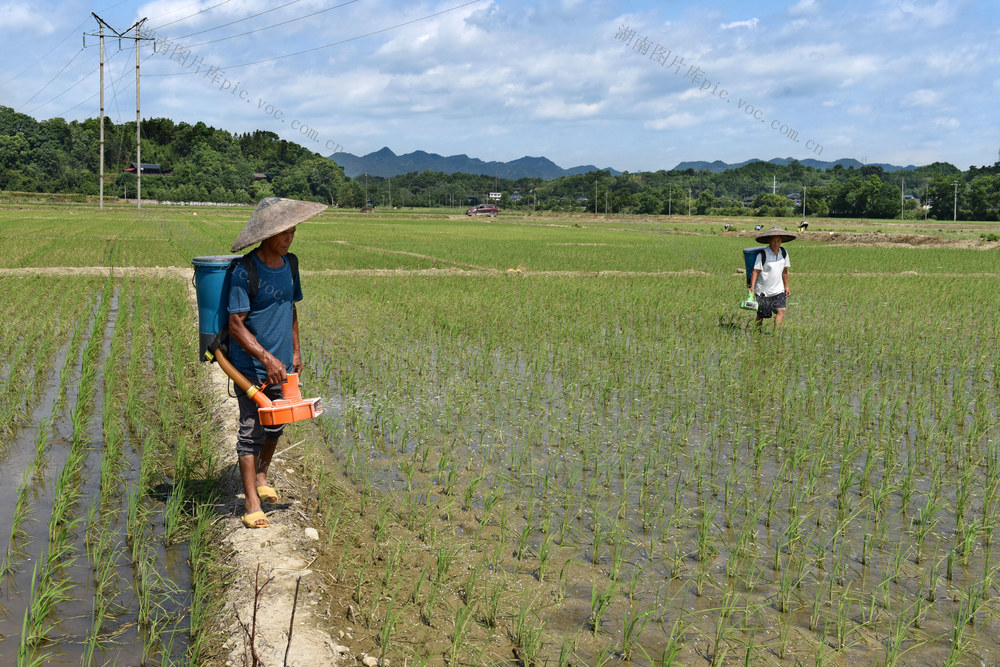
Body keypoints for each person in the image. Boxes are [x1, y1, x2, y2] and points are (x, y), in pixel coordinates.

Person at [227, 197, 327, 528]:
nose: (290, 239)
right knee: (252, 429)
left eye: (294, 233)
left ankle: (262, 474)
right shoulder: (245, 270)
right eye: (285, 234)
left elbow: (291, 308)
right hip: (251, 368)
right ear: (269, 234)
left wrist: (295, 352)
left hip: (282, 366)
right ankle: (251, 504)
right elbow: (236, 324)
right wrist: (266, 357)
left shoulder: (291, 264)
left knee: (278, 423)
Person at [749, 226, 794, 328]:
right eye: (774, 241)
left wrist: (786, 286)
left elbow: (785, 270)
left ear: (781, 241)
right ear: (769, 241)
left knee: (781, 309)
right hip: (763, 291)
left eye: (778, 241)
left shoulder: (784, 253)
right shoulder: (762, 254)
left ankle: (776, 334)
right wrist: (752, 288)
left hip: (778, 290)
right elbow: (755, 271)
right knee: (762, 314)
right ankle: (757, 331)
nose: (776, 243)